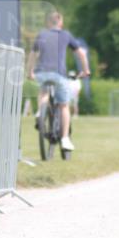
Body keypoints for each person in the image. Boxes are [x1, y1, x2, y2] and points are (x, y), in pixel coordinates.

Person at [26, 11, 90, 151]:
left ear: (48, 23)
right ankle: (65, 139)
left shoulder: (42, 34)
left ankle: (40, 114)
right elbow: (81, 53)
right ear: (60, 22)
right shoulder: (65, 35)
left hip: (41, 72)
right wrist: (85, 70)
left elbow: (33, 55)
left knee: (43, 93)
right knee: (63, 105)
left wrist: (29, 72)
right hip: (59, 74)